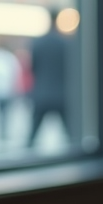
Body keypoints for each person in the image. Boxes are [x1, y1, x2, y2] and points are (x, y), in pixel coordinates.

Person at [27, 14, 70, 148]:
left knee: (31, 137)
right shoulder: (64, 43)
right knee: (72, 136)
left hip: (42, 93)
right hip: (61, 94)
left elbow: (33, 68)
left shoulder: (38, 43)